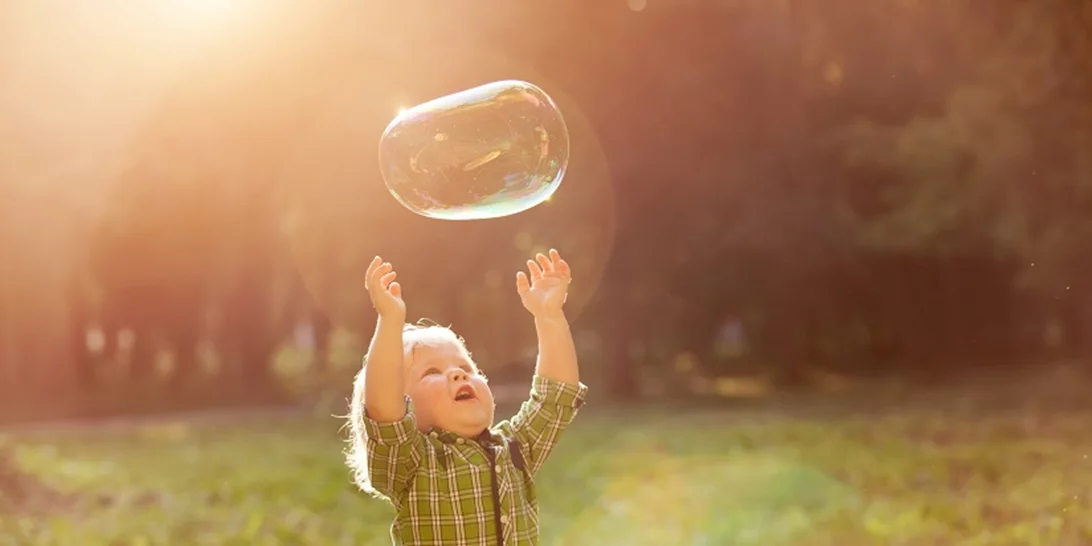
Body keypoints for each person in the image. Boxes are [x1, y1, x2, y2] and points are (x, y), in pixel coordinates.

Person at [346, 249, 588, 546]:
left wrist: (549, 316)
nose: (458, 375)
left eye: (464, 367)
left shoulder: (514, 449)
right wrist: (390, 319)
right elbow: (384, 410)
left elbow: (555, 398)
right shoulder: (412, 462)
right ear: (403, 404)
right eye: (432, 371)